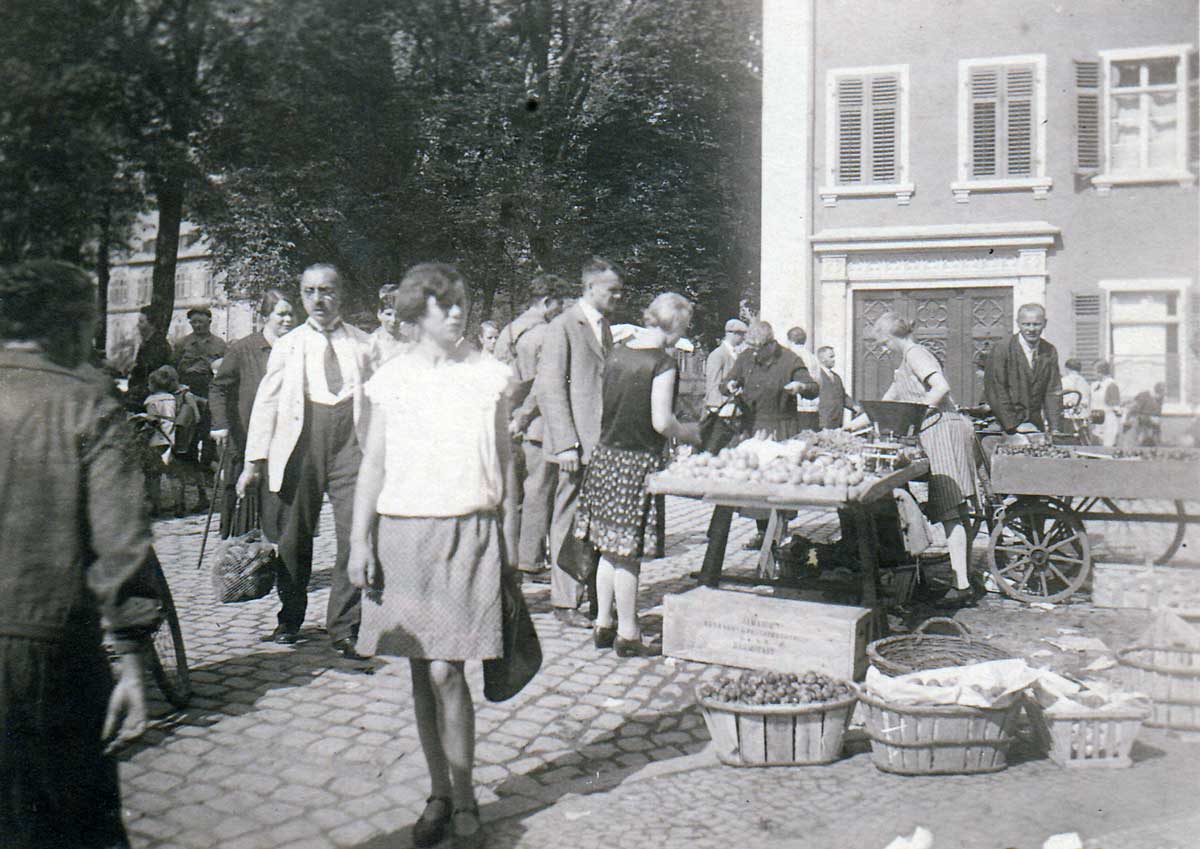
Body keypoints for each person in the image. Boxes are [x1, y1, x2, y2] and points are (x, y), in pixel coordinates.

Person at [348, 263, 516, 849]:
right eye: (443, 304)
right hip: (404, 533)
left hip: (469, 530)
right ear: (417, 312)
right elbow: (373, 464)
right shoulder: (391, 379)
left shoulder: (490, 376)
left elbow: (506, 462)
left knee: (448, 669)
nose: (456, 312)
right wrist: (357, 541)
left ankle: (464, 795)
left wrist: (513, 540)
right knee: (423, 667)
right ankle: (439, 792)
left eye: (461, 302)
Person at [0, 259, 159, 849]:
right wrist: (134, 660)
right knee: (77, 826)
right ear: (71, 327)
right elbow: (122, 546)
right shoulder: (89, 407)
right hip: (52, 653)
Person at [238, 264, 373, 658]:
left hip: (351, 442)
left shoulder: (364, 344)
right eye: (310, 291)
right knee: (293, 537)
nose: (319, 299)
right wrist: (253, 463)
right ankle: (291, 615)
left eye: (327, 291)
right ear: (301, 297)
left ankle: (345, 624)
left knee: (356, 532)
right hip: (302, 443)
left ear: (340, 295)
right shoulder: (289, 344)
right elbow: (266, 405)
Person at [575, 293, 701, 655]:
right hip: (636, 462)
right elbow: (661, 422)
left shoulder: (617, 352)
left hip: (606, 457)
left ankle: (603, 622)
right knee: (627, 554)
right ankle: (629, 633)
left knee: (606, 548)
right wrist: (689, 432)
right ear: (675, 326)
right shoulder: (662, 362)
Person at [536, 256, 623, 628]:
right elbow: (550, 386)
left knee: (592, 520)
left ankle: (592, 593)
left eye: (620, 290)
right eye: (611, 290)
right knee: (567, 517)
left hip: (600, 441)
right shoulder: (563, 326)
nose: (618, 296)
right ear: (589, 288)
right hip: (574, 445)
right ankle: (564, 600)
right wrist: (565, 443)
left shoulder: (604, 327)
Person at [875, 312, 980, 606]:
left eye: (884, 343)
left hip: (944, 430)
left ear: (894, 337)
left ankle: (961, 586)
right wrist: (849, 426)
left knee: (950, 508)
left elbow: (941, 388)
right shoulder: (903, 367)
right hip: (936, 433)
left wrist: (917, 411)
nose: (884, 350)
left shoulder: (916, 354)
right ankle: (965, 576)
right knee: (954, 510)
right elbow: (885, 406)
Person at [210, 288, 295, 538]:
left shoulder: (296, 349)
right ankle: (240, 567)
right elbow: (218, 388)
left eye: (291, 314)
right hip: (245, 437)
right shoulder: (244, 349)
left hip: (283, 439)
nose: (288, 320)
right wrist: (220, 424)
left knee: (278, 503)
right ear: (265, 316)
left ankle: (278, 558)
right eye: (281, 314)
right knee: (243, 503)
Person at [508, 297, 570, 579]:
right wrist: (523, 414)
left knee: (532, 492)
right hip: (542, 425)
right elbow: (542, 385)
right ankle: (530, 560)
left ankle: (528, 557)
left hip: (529, 423)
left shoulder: (518, 332)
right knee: (539, 493)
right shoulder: (549, 336)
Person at [983, 303, 1063, 434]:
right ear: (1018, 324)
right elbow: (996, 389)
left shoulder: (1049, 351)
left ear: (1045, 323)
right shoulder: (1002, 349)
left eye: (1036, 324)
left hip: (1034, 425)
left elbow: (1052, 391)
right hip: (1003, 424)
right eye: (1026, 324)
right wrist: (1014, 424)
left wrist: (1055, 428)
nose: (1031, 329)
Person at [142, 365, 208, 517]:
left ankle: (155, 507)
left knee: (153, 475)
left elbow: (152, 419)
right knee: (174, 475)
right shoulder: (173, 398)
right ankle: (180, 505)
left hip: (157, 441)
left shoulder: (151, 400)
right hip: (174, 439)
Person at [495, 273, 567, 364]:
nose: (561, 309)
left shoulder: (508, 330)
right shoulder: (548, 332)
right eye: (560, 303)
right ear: (546, 302)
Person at [127, 305, 172, 409]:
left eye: (141, 322)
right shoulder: (147, 343)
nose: (138, 325)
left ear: (152, 325)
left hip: (149, 396)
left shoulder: (157, 345)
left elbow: (151, 372)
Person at [785, 326, 823, 432]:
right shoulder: (813, 357)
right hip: (813, 404)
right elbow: (819, 381)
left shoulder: (790, 356)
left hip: (796, 405)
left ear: (789, 340)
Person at [368, 282, 412, 369]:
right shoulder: (371, 343)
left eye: (398, 315)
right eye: (388, 314)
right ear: (379, 314)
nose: (394, 320)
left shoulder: (409, 343)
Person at [816, 346, 858, 430]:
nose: (834, 359)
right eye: (831, 357)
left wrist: (854, 406)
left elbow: (842, 395)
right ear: (822, 359)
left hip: (837, 421)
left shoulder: (836, 377)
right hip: (823, 421)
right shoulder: (816, 375)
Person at [1091, 360, 1122, 447]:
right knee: (1096, 444)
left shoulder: (1111, 384)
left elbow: (1116, 406)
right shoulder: (1095, 385)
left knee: (1107, 444)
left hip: (1108, 419)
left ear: (1101, 372)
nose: (1093, 374)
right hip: (1097, 418)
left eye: (1094, 371)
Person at [1060, 358, 1091, 438]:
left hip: (1068, 416)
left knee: (1069, 439)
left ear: (1067, 368)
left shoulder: (1064, 381)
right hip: (1082, 416)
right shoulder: (1085, 382)